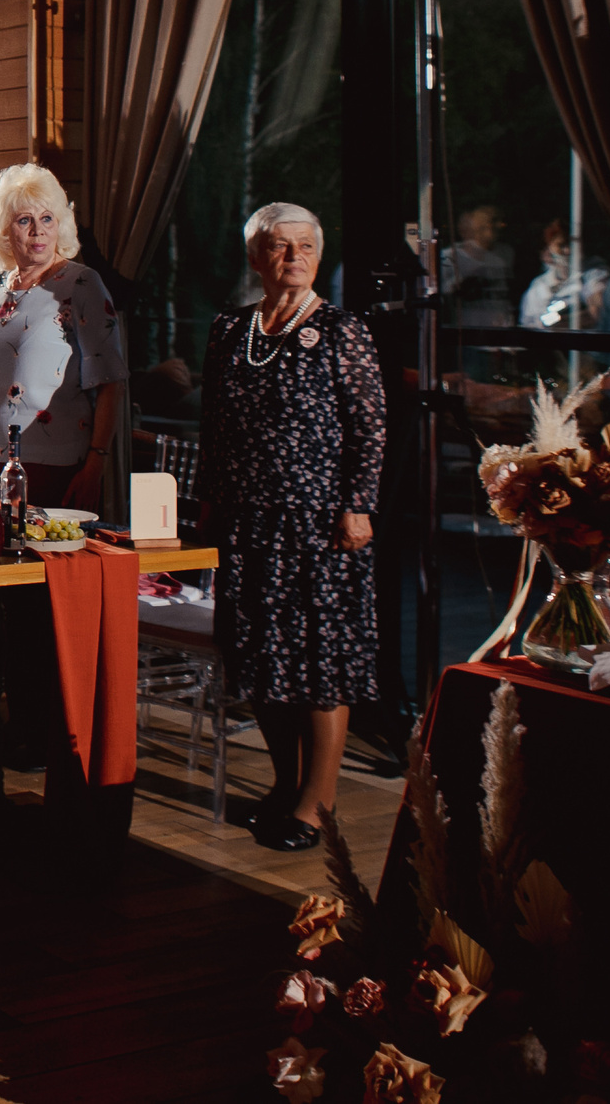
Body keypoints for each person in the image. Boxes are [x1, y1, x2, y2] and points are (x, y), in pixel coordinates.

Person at [202, 202, 387, 852]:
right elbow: (215, 427)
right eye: (280, 247)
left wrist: (358, 502)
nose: (294, 256)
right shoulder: (230, 331)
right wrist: (207, 504)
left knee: (319, 662)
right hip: (248, 523)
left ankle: (318, 802)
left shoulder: (343, 329)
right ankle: (285, 785)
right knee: (261, 658)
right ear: (255, 258)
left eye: (306, 245)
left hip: (320, 525)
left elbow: (370, 425)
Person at [0, 163, 127, 511]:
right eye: (24, 220)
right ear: (4, 231)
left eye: (47, 219)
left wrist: (96, 464)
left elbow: (111, 383)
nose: (38, 231)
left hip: (56, 463)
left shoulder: (82, 283)